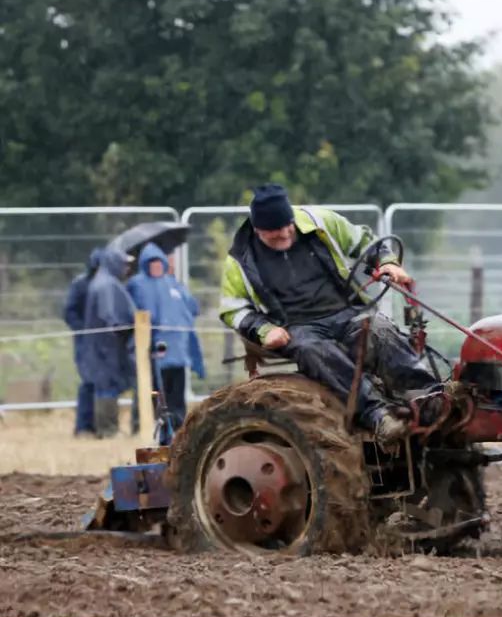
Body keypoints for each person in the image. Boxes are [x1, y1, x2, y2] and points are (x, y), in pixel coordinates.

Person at [219, 184, 442, 444]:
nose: (284, 237)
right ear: (258, 231)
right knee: (312, 350)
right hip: (299, 327)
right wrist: (265, 330)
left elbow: (364, 241)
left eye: (287, 229)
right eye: (274, 236)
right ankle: (377, 415)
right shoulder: (240, 260)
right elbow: (232, 308)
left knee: (379, 328)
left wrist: (387, 263)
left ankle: (428, 398)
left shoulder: (320, 222)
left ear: (291, 219)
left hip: (346, 311)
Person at [127, 242, 205, 439]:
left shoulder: (175, 285)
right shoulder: (138, 285)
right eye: (152, 263)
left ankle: (177, 429)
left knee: (175, 394)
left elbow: (192, 309)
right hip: (153, 351)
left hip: (178, 351)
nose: (156, 267)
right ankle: (145, 428)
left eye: (159, 262)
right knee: (150, 391)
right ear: (145, 264)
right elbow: (135, 312)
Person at [83, 247, 136, 438]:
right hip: (106, 347)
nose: (126, 268)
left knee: (105, 387)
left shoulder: (102, 281)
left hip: (103, 347)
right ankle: (108, 430)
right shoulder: (106, 285)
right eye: (124, 264)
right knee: (106, 388)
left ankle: (106, 428)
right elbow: (109, 317)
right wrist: (124, 327)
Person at [63, 248, 103, 437]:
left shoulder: (108, 285)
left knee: (102, 383)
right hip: (85, 343)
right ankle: (84, 426)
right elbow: (69, 312)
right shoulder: (80, 285)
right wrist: (85, 330)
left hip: (103, 344)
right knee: (88, 382)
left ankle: (98, 425)